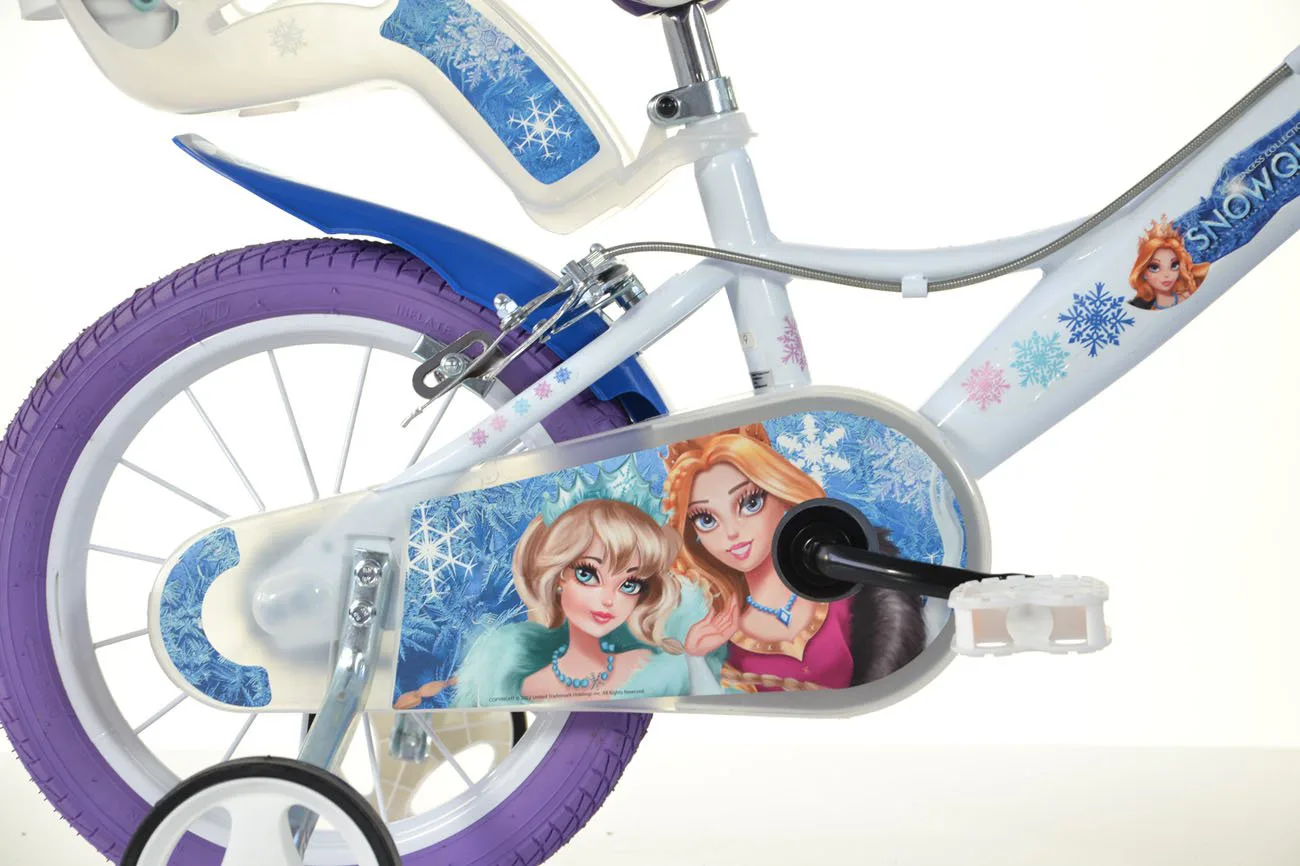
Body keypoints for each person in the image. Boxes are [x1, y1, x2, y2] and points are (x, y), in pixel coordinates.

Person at [663, 424, 927, 693]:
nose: (731, 532)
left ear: (782, 494)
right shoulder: (709, 625)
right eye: (706, 519)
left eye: (750, 503)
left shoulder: (850, 583)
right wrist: (695, 659)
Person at [1128, 217, 1211, 310]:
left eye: (1174, 265)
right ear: (1143, 273)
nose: (1166, 275)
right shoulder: (1152, 311)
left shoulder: (1188, 292)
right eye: (1154, 267)